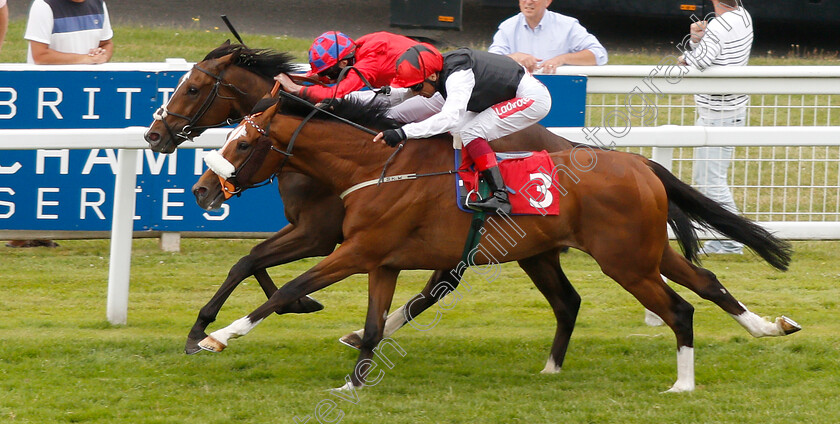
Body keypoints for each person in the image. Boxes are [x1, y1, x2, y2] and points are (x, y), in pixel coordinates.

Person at [373, 44, 551, 214]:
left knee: (470, 131)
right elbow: (401, 95)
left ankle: (501, 197)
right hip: (509, 92)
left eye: (417, 87)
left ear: (433, 77)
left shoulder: (459, 76)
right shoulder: (435, 72)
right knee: (460, 130)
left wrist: (403, 132)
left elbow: (449, 118)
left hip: (532, 98)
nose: (415, 92)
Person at [680, 0, 753, 255]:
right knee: (707, 178)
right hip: (725, 110)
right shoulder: (743, 15)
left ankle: (731, 240)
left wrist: (688, 52)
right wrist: (699, 40)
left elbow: (700, 62)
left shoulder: (722, 24)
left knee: (711, 181)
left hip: (719, 112)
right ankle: (728, 239)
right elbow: (709, 56)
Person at [274, 31, 418, 103]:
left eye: (328, 72)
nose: (328, 77)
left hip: (431, 91)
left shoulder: (368, 64)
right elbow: (332, 75)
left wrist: (296, 88)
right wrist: (319, 76)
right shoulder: (356, 48)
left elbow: (336, 93)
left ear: (343, 63)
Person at [488, 0, 607, 73]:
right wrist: (515, 58)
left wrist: (561, 59)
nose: (528, 2)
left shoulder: (568, 26)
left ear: (548, 1)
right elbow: (490, 60)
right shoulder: (507, 27)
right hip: (518, 96)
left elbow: (599, 55)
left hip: (558, 92)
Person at [24, 0, 113, 64]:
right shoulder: (43, 5)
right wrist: (86, 59)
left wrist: (102, 56)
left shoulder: (98, 4)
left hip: (87, 83)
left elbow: (106, 44)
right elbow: (40, 56)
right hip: (50, 83)